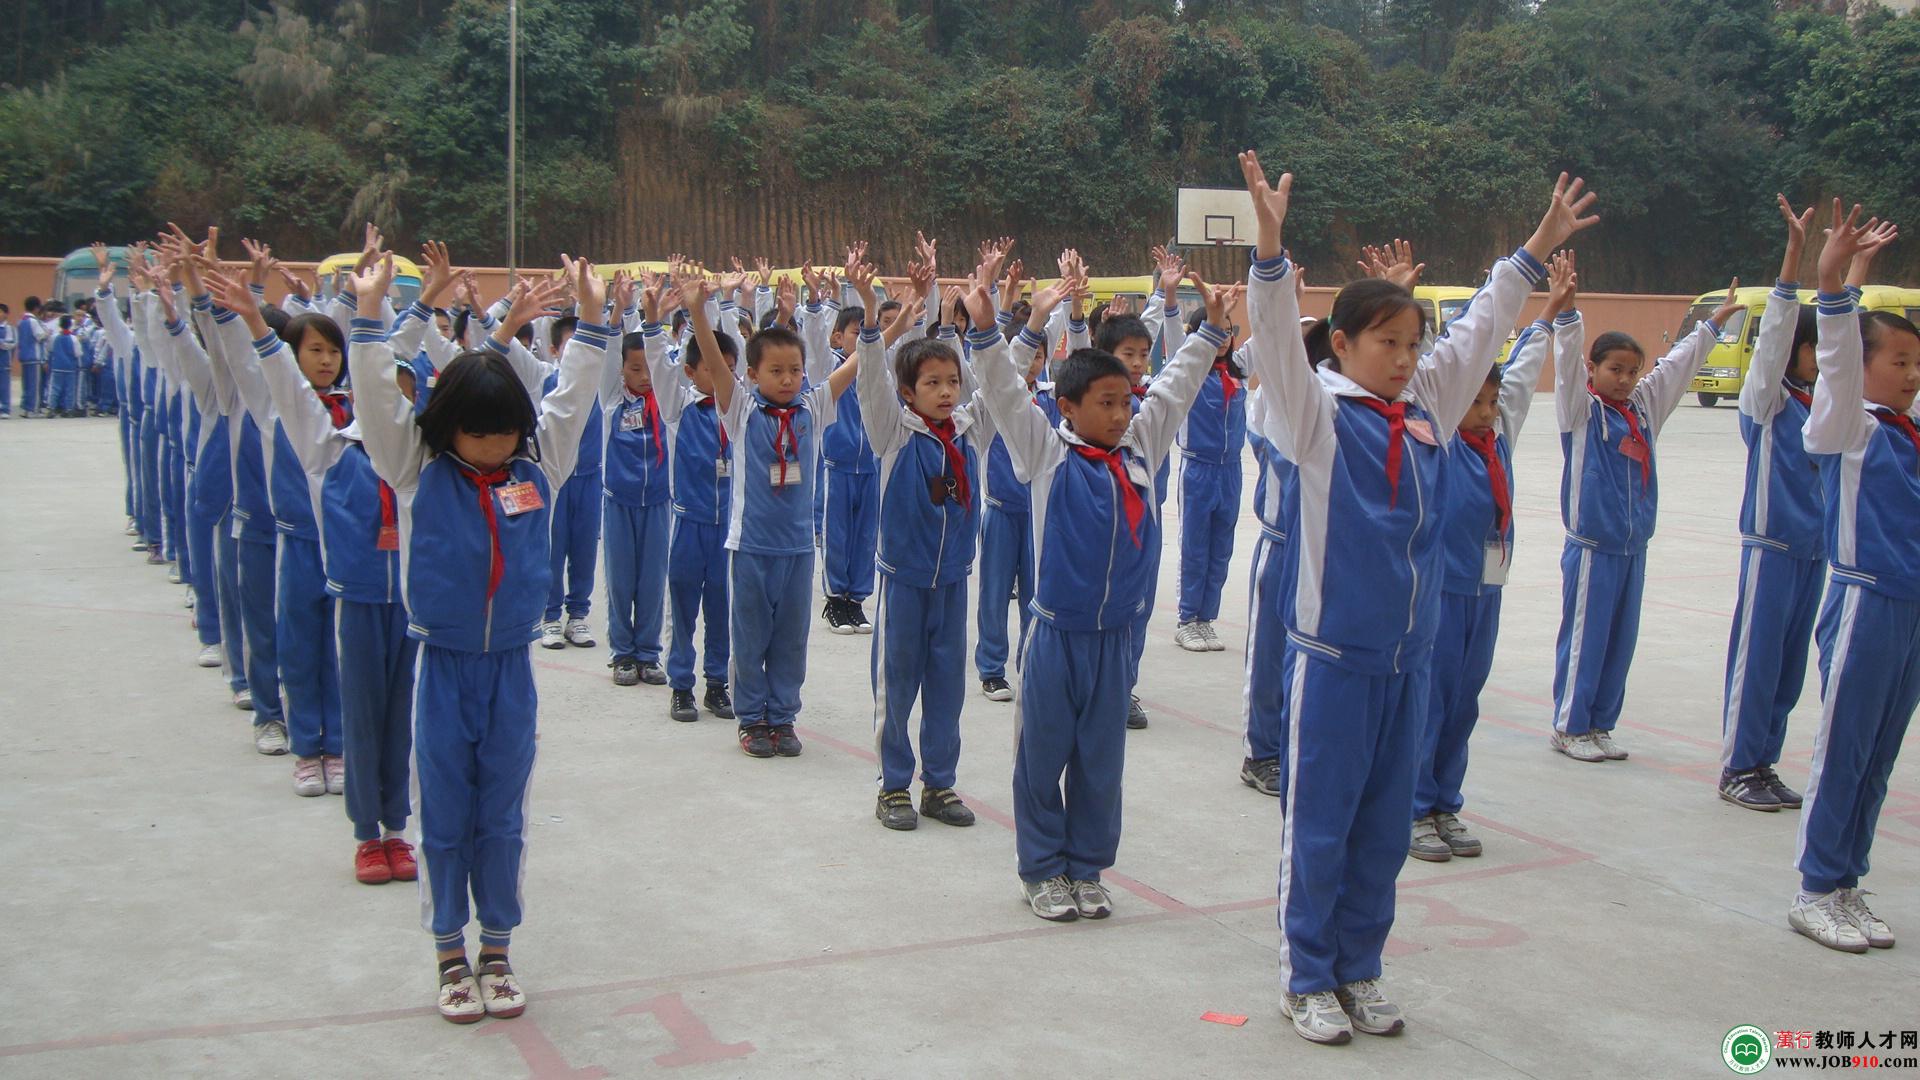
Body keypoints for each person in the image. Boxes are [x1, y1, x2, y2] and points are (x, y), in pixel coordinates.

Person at [1241, 151, 1595, 1044]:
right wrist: (1271, 253)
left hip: (1411, 658)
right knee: (1321, 824)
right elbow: (1281, 343)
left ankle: (1360, 966)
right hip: (1333, 661)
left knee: (1382, 831)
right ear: (1346, 347)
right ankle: (1307, 975)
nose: (1405, 359)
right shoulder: (1315, 416)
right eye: (1385, 344)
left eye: (1411, 344)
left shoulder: (1431, 407)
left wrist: (1536, 247)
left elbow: (1480, 329)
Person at [351, 249, 601, 1023]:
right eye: (478, 435)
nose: (494, 447)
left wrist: (592, 324)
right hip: (444, 667)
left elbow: (571, 400)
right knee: (446, 814)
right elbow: (374, 399)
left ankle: (497, 947)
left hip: (510, 670)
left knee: (502, 812)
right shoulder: (415, 469)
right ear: (446, 428)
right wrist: (370, 317)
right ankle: (448, 953)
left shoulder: (538, 464)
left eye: (505, 434)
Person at [969, 237, 1233, 924]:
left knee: (1101, 762)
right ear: (1068, 406)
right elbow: (1001, 391)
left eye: (1125, 402)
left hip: (1116, 639)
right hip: (1057, 636)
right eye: (1107, 403)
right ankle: (1040, 868)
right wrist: (986, 331)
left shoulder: (1141, 444)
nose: (1122, 414)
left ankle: (1086, 867)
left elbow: (1174, 390)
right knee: (1042, 757)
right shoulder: (1045, 454)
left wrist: (1211, 333)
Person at [208, 261, 421, 885]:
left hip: (410, 603)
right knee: (359, 711)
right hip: (355, 598)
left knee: (401, 718)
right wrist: (254, 321)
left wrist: (381, 309)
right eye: (390, 390)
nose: (397, 401)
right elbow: (286, 388)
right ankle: (365, 833)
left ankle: (397, 826)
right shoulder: (328, 445)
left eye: (407, 392)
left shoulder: (414, 451)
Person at [1410, 253, 1573, 862]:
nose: (1484, 410)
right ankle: (1413, 807)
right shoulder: (1439, 433)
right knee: (1430, 697)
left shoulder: (1498, 435)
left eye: (1490, 401)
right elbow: (1444, 367)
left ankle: (1445, 802)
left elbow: (1526, 369)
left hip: (1487, 587)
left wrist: (1550, 315)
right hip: (1443, 589)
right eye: (1475, 400)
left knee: (1465, 697)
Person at [1549, 274, 1744, 762]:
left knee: (1620, 641)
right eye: (1615, 368)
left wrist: (1711, 326)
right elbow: (1567, 367)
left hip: (1634, 547)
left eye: (1632, 370)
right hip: (1593, 548)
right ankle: (1570, 726)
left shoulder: (1641, 409)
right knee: (1585, 639)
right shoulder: (1581, 413)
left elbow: (1675, 370)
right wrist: (1569, 316)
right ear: (1592, 369)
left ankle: (1600, 724)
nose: (1625, 378)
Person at [1792, 202, 1916, 955]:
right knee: (1843, 747)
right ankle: (1814, 886)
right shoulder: (1853, 428)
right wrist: (1832, 282)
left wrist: (1862, 278)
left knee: (1881, 749)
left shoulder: (1910, 426)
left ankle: (1848, 879)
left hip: (1911, 606)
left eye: (1915, 364)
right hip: (1865, 599)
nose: (1909, 375)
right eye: (1897, 362)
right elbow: (1839, 362)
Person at [684, 253, 861, 759]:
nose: (788, 379)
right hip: (752, 546)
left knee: (790, 639)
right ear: (754, 374)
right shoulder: (740, 410)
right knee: (752, 633)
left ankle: (783, 717)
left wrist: (895, 325)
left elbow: (856, 364)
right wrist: (699, 311)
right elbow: (715, 363)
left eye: (795, 370)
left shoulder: (812, 407)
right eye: (776, 371)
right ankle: (751, 717)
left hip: (799, 548)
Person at [856, 247, 988, 832]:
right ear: (907, 392)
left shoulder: (967, 429)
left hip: (953, 581)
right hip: (904, 582)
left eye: (950, 381)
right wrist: (873, 319)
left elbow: (1001, 384)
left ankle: (939, 783)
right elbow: (870, 382)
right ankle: (892, 787)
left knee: (947, 687)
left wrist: (1005, 316)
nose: (944, 391)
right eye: (930, 382)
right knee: (897, 683)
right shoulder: (893, 432)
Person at [635, 271, 737, 722]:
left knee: (722, 609)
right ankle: (681, 685)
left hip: (727, 529)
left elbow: (729, 345)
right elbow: (658, 361)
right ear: (693, 372)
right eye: (714, 368)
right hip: (689, 525)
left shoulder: (740, 413)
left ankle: (717, 683)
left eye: (729, 368)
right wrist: (653, 319)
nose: (724, 375)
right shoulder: (679, 408)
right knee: (683, 610)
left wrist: (719, 304)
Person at [598, 283, 674, 687]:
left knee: (651, 580)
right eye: (634, 369)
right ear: (622, 371)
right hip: (619, 502)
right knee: (621, 579)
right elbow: (609, 354)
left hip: (659, 502)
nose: (644, 377)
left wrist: (654, 319)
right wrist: (617, 315)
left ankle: (647, 653)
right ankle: (622, 653)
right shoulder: (612, 399)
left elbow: (670, 359)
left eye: (648, 369)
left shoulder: (669, 401)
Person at [540, 313, 602, 651]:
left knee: (584, 549)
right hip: (556, 479)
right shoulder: (548, 384)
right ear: (554, 351)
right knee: (553, 547)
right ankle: (549, 616)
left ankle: (577, 614)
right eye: (570, 346)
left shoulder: (599, 387)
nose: (577, 353)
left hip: (590, 477)